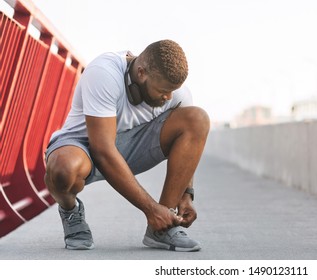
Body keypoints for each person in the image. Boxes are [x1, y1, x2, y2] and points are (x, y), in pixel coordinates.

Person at [44, 39, 209, 252]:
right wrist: (151, 209)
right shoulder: (104, 73)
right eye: (163, 91)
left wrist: (186, 195)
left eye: (172, 91)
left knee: (197, 118)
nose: (168, 97)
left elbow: (189, 145)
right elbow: (102, 150)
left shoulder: (176, 93)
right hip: (84, 145)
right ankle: (70, 210)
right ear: (141, 73)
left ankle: (162, 229)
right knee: (62, 170)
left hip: (130, 147)